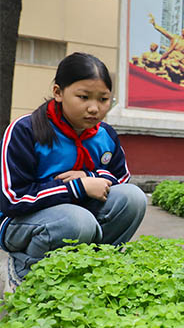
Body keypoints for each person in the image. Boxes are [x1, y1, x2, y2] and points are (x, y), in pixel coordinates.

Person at [0, 52, 147, 290]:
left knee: (134, 198)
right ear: (58, 92)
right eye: (83, 97)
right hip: (19, 222)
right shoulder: (25, 130)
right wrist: (76, 187)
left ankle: (93, 272)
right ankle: (24, 274)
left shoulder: (105, 135)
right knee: (78, 221)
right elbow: (13, 199)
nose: (94, 108)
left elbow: (122, 180)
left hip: (75, 214)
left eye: (103, 99)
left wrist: (90, 176)